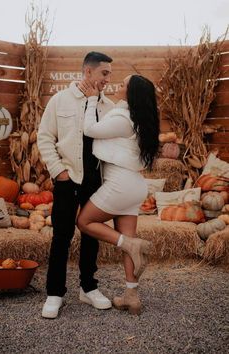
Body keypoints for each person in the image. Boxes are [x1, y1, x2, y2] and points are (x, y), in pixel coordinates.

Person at [37, 52, 115, 319]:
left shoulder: (109, 107)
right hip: (68, 178)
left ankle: (88, 288)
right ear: (88, 72)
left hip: (96, 180)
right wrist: (59, 172)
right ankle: (55, 293)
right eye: (104, 73)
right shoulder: (60, 101)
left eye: (109, 74)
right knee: (62, 235)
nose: (108, 79)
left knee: (91, 234)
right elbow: (45, 137)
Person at [77, 74, 160, 314]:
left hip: (120, 183)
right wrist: (99, 96)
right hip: (133, 185)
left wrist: (92, 99)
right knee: (128, 242)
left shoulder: (124, 120)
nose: (118, 86)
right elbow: (111, 113)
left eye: (123, 85)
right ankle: (131, 297)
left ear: (131, 93)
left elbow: (90, 129)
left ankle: (129, 243)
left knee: (84, 221)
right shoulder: (136, 118)